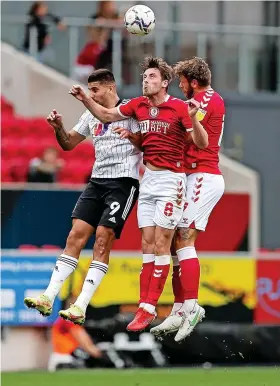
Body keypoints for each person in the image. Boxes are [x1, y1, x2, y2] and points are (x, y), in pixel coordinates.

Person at [68, 56, 208, 332]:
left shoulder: (180, 107)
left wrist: (194, 117)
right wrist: (85, 99)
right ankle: (144, 305)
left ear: (165, 82)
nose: (146, 81)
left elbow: (201, 143)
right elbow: (107, 115)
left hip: (171, 181)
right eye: (144, 77)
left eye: (152, 77)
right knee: (146, 243)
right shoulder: (138, 105)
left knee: (161, 243)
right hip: (149, 181)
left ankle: (149, 307)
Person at [24, 69, 141, 325]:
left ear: (110, 87)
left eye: (95, 90)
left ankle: (80, 305)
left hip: (123, 183)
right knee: (74, 235)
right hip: (96, 183)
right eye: (90, 91)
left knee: (102, 238)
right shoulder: (90, 114)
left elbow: (147, 144)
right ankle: (48, 296)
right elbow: (67, 144)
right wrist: (58, 129)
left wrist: (134, 138)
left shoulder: (131, 112)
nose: (92, 95)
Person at [150, 57, 225, 342]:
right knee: (173, 240)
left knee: (183, 236)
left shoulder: (204, 100)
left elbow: (192, 136)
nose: (180, 86)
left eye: (181, 81)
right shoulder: (202, 99)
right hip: (193, 176)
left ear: (193, 82)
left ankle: (192, 306)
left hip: (204, 176)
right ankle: (180, 309)